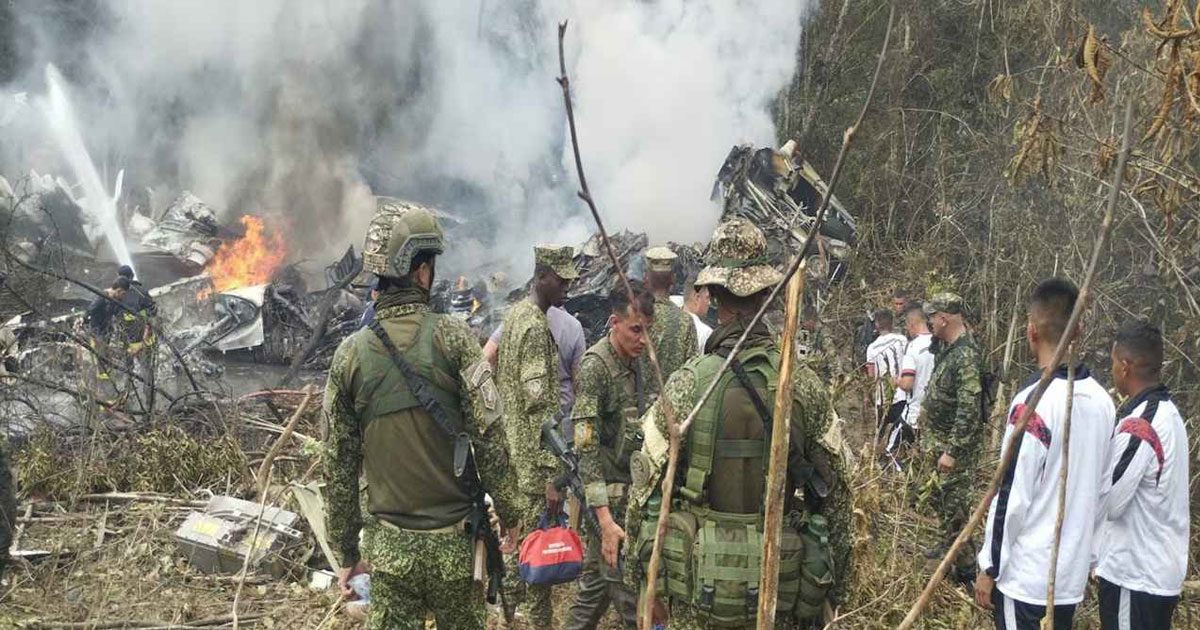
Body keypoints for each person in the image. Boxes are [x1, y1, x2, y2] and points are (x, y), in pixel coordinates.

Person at [625, 218, 851, 629]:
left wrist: (642, 586)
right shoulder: (804, 387)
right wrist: (834, 593)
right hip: (778, 594)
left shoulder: (686, 385)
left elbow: (642, 494)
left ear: (711, 297)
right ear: (768, 294)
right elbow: (836, 497)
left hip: (699, 601)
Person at [322, 200, 522, 630]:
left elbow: (337, 464)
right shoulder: (455, 339)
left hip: (390, 555)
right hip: (455, 549)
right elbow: (491, 438)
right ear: (421, 270)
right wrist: (511, 512)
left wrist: (347, 554)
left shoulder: (349, 356)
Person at [974, 278, 1115, 628]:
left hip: (1026, 579)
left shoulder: (1031, 405)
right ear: (1079, 330)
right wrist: (1089, 556)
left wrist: (989, 566)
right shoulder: (1104, 403)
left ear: (1031, 331)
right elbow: (1103, 491)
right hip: (1068, 580)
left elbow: (1012, 494)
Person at [494, 244, 580, 630]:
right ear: (541, 276)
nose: (567, 288)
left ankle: (507, 616)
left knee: (517, 549)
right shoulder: (533, 326)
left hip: (513, 454)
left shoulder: (513, 316)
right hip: (532, 465)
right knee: (539, 560)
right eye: (560, 280)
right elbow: (540, 409)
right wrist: (552, 475)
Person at [563, 284, 655, 630]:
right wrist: (604, 522)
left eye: (648, 330)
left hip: (631, 500)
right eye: (636, 330)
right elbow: (585, 447)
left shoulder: (636, 362)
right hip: (608, 506)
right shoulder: (595, 369)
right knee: (632, 602)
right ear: (614, 322)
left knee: (594, 593)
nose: (643, 339)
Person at [1095, 321, 1189, 630]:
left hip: (1135, 574)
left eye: (1112, 362)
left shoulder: (1141, 425)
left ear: (1125, 366)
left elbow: (1111, 502)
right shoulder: (1170, 415)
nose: (1111, 370)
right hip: (1157, 572)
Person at [917, 292, 985, 584]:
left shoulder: (966, 355)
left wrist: (953, 451)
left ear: (944, 318)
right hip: (938, 442)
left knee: (956, 507)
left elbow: (969, 407)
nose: (929, 322)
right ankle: (948, 548)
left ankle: (967, 570)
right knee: (943, 501)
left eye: (932, 318)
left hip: (953, 449)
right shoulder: (947, 349)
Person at [485, 304, 587, 430]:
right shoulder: (573, 326)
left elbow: (487, 357)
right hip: (562, 423)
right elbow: (580, 385)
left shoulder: (516, 320)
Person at [636, 246, 698, 402]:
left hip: (636, 411)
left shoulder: (634, 317)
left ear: (646, 279)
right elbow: (692, 372)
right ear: (673, 279)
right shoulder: (686, 321)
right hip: (670, 412)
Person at [885, 302, 934, 456]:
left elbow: (907, 383)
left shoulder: (913, 347)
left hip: (913, 413)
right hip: (933, 414)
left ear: (911, 324)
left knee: (890, 454)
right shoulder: (940, 344)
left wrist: (895, 381)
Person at [866, 309, 907, 431]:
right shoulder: (902, 340)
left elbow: (871, 375)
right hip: (902, 395)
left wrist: (869, 396)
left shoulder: (872, 348)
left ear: (877, 325)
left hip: (883, 399)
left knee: (881, 432)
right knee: (900, 432)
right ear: (892, 323)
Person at [671, 278, 712, 352]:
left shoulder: (667, 320)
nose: (709, 303)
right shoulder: (705, 333)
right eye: (707, 297)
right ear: (697, 298)